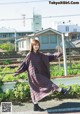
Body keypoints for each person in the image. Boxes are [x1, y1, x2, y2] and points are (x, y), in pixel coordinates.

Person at [14, 39, 71, 111]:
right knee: (48, 83)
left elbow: (49, 57)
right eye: (35, 45)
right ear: (32, 46)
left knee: (34, 90)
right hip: (33, 75)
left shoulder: (40, 55)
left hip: (39, 74)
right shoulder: (29, 55)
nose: (36, 46)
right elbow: (24, 64)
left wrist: (59, 54)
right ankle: (62, 91)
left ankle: (35, 106)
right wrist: (17, 72)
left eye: (37, 45)